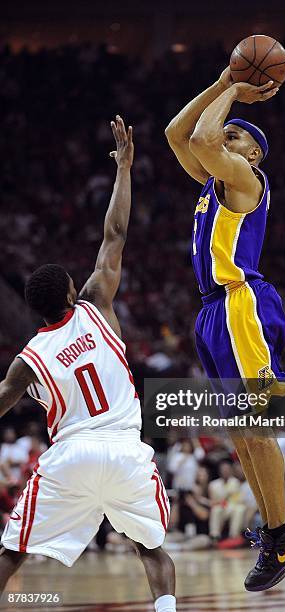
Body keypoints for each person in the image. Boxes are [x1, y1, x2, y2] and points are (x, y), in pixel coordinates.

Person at [0, 116, 176, 612]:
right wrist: (125, 167)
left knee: (12, 552)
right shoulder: (97, 305)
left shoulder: (29, 359)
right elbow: (115, 232)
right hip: (124, 450)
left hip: (71, 457)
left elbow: (1, 401)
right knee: (151, 549)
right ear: (73, 292)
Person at [165, 67, 285, 591]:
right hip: (211, 313)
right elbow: (176, 134)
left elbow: (203, 136)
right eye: (229, 128)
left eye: (237, 135)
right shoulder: (212, 183)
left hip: (240, 304)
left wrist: (234, 90)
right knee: (239, 433)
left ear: (251, 156)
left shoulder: (246, 180)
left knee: (257, 424)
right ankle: (277, 536)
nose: (225, 132)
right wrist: (224, 78)